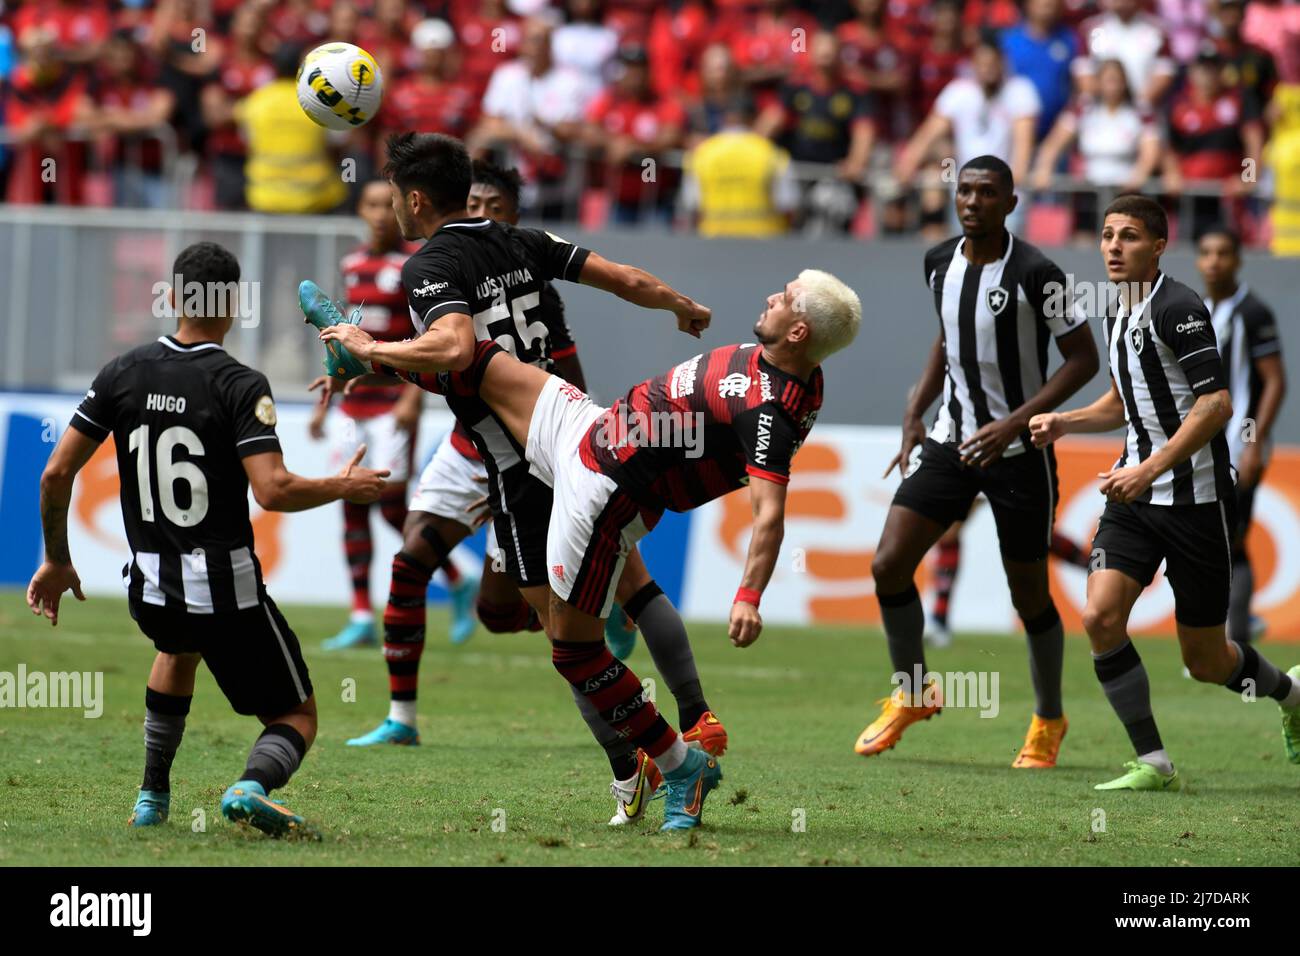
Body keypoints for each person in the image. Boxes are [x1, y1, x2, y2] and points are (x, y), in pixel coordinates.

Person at [322, 265, 862, 831]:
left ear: (798, 333)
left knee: (574, 653)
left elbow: (769, 514)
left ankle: (678, 767)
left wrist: (749, 594)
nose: (772, 295)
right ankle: (364, 354)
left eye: (786, 299)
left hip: (601, 493)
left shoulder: (771, 412)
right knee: (475, 362)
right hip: (590, 426)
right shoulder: (793, 365)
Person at [309, 134, 726, 827]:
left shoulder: (429, 265)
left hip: (520, 462)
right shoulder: (523, 240)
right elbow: (622, 276)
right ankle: (670, 744)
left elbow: (454, 347)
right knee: (611, 604)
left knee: (565, 640)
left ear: (415, 201)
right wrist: (680, 305)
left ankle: (662, 765)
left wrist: (368, 347)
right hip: (582, 434)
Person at [25, 242, 389, 836]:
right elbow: (272, 491)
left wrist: (58, 561)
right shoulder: (239, 383)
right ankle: (249, 787)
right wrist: (341, 485)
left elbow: (55, 472)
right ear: (235, 305)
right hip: (227, 593)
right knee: (297, 714)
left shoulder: (122, 372)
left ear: (172, 297)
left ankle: (151, 797)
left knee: (175, 649)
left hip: (151, 592)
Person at [1029, 194, 1300, 791]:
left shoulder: (1179, 307)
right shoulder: (1118, 309)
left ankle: (1292, 695)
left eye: (1128, 236)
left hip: (1196, 503)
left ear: (1157, 245)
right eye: (1106, 235)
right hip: (1134, 501)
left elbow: (1216, 405)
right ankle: (1153, 762)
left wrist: (1148, 469)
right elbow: (1126, 400)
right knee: (1101, 616)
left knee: (1207, 661)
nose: (1113, 247)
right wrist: (1066, 421)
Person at [859, 155, 1100, 770]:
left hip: (1020, 454)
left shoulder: (1038, 273)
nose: (971, 201)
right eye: (964, 190)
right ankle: (911, 692)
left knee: (1029, 596)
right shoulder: (937, 261)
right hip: (952, 442)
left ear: (1010, 203)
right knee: (889, 565)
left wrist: (1016, 423)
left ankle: (1048, 718)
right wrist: (917, 409)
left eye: (986, 193)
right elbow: (949, 336)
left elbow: (1082, 359)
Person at [308, 181, 450, 651]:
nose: (380, 214)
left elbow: (427, 334)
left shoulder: (413, 266)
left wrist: (415, 396)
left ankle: (453, 577)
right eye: (370, 205)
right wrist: (326, 396)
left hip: (394, 400)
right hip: (354, 403)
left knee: (392, 506)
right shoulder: (352, 266)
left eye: (386, 204)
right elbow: (344, 339)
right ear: (361, 212)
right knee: (350, 500)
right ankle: (361, 614)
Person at [1196, 224, 1286, 645]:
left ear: (1237, 260)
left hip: (1239, 447)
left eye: (1223, 253)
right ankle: (1226, 633)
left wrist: (1253, 442)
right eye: (1207, 253)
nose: (1214, 262)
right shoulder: (1197, 311)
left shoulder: (1252, 311)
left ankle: (1233, 637)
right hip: (1205, 447)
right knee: (1211, 537)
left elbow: (1275, 381)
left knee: (1231, 537)